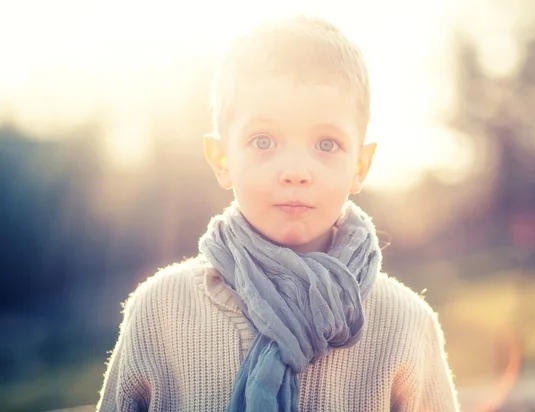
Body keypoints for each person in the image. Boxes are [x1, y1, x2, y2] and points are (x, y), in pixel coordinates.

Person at [96, 15, 460, 412]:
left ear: (360, 164)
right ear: (221, 159)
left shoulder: (405, 325)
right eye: (264, 140)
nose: (295, 172)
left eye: (326, 143)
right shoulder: (160, 311)